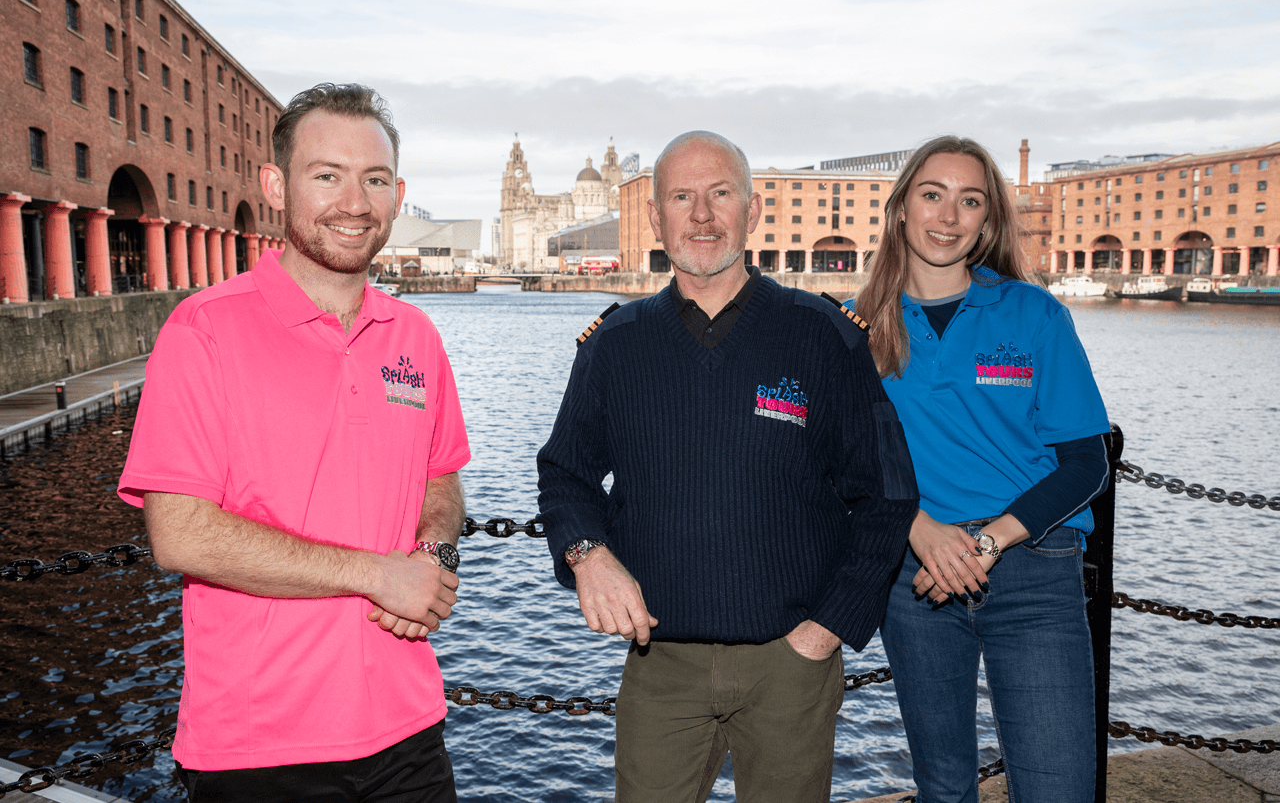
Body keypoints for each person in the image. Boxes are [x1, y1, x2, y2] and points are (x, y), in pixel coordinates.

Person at [537, 130, 918, 802]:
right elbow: (565, 471)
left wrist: (829, 627)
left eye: (720, 194)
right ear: (657, 218)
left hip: (793, 662)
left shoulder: (823, 336)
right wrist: (587, 554)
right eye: (682, 197)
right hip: (662, 663)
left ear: (753, 211)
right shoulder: (616, 347)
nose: (702, 215)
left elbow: (887, 494)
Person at [117, 83, 470, 802]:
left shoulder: (417, 338)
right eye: (326, 175)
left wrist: (432, 555)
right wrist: (377, 573)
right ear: (276, 186)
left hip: (409, 731)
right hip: (258, 747)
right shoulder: (203, 331)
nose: (354, 202)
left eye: (373, 179)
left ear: (398, 193)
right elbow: (179, 534)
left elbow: (441, 477)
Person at [848, 136, 1110, 803]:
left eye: (970, 200)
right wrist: (918, 527)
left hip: (1031, 568)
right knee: (943, 789)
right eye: (932, 194)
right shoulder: (859, 329)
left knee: (1060, 789)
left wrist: (990, 539)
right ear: (902, 207)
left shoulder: (1034, 314)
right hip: (917, 575)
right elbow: (842, 460)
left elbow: (1086, 461)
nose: (948, 215)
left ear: (987, 220)